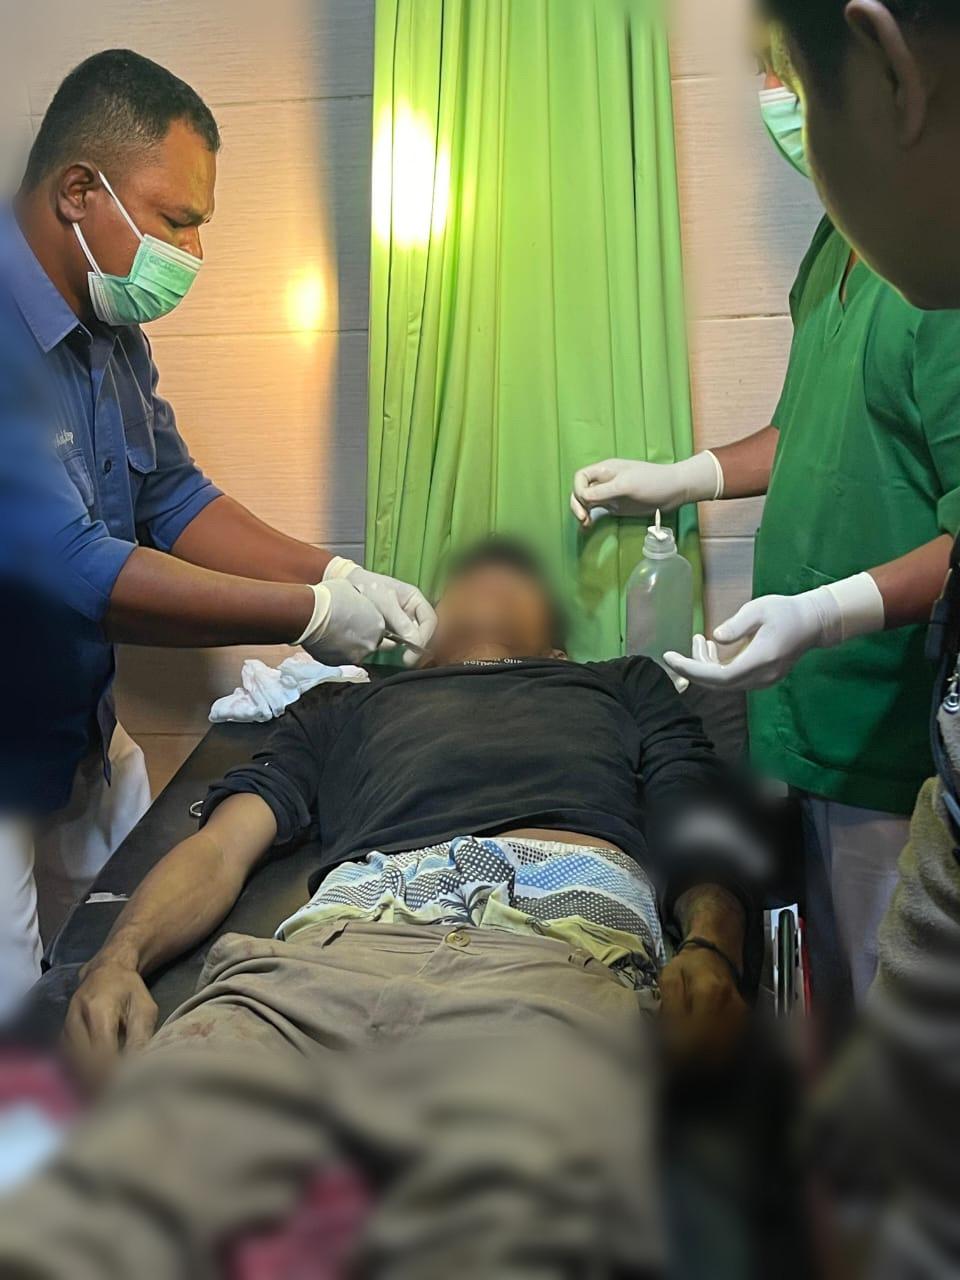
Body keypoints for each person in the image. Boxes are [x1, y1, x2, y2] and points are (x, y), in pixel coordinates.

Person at [0, 538, 766, 1278]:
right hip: (323, 964)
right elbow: (223, 847)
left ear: (559, 645)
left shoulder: (620, 682)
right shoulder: (342, 704)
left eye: (517, 584)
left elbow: (696, 818)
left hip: (548, 952)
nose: (488, 584)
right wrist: (117, 959)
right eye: (464, 584)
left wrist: (712, 947)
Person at [0, 49, 435, 1020]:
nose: (192, 251)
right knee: (21, 1036)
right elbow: (73, 571)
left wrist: (338, 572)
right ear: (79, 191)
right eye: (175, 219)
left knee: (124, 978)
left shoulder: (107, 330)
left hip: (75, 729)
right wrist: (307, 615)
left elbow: (174, 496)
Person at [570, 62, 960, 1012]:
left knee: (896, 1013)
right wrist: (686, 475)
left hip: (888, 730)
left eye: (793, 68)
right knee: (830, 993)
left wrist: (826, 614)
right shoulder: (840, 242)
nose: (780, 94)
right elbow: (807, 427)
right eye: (766, 71)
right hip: (807, 714)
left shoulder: (938, 274)